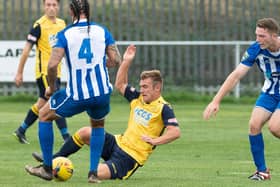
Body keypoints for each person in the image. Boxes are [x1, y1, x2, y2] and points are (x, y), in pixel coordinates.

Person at [30, 44, 181, 181]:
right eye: (141, 86)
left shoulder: (164, 108)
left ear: (157, 88)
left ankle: (65, 169)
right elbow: (120, 84)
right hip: (117, 142)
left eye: (146, 87)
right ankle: (52, 160)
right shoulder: (138, 98)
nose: (142, 90)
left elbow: (175, 132)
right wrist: (126, 62)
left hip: (130, 157)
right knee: (85, 132)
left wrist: (155, 141)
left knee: (98, 172)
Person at [24, 0, 122, 183]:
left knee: (44, 116)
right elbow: (116, 59)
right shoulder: (102, 30)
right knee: (98, 125)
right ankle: (93, 173)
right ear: (89, 10)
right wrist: (107, 63)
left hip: (78, 93)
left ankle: (46, 168)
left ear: (71, 11)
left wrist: (52, 87)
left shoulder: (66, 34)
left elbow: (53, 64)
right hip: (101, 93)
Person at [203, 17, 280, 181]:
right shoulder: (256, 49)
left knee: (275, 127)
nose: (258, 40)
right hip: (270, 93)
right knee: (254, 125)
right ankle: (262, 172)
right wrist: (216, 100)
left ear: (274, 35)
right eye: (257, 35)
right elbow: (236, 75)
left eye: (262, 36)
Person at [13, 0, 70, 144]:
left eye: (54, 5)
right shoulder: (39, 25)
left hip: (56, 71)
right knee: (56, 100)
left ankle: (21, 130)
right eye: (48, 4)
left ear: (58, 7)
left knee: (42, 103)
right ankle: (66, 137)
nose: (51, 8)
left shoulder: (62, 24)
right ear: (44, 6)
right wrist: (19, 72)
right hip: (44, 72)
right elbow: (26, 50)